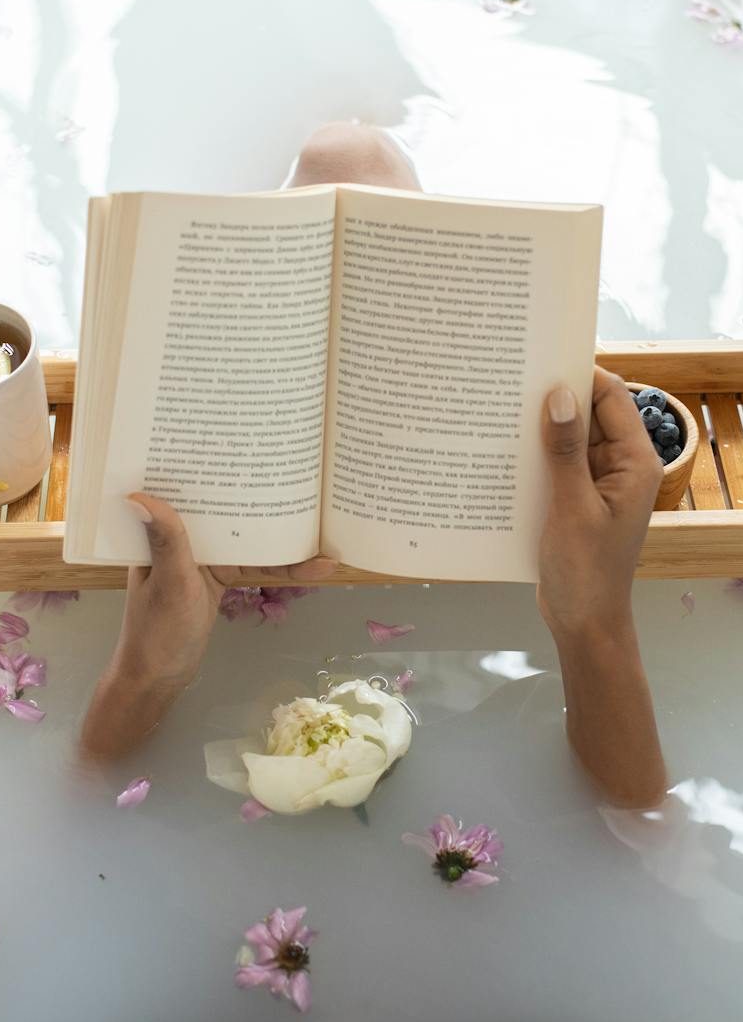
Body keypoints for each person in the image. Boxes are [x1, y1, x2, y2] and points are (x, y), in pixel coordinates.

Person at [79, 125, 669, 809]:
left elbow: (640, 833)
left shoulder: (547, 518)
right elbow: (80, 807)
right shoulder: (187, 551)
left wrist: (593, 620)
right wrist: (148, 669)